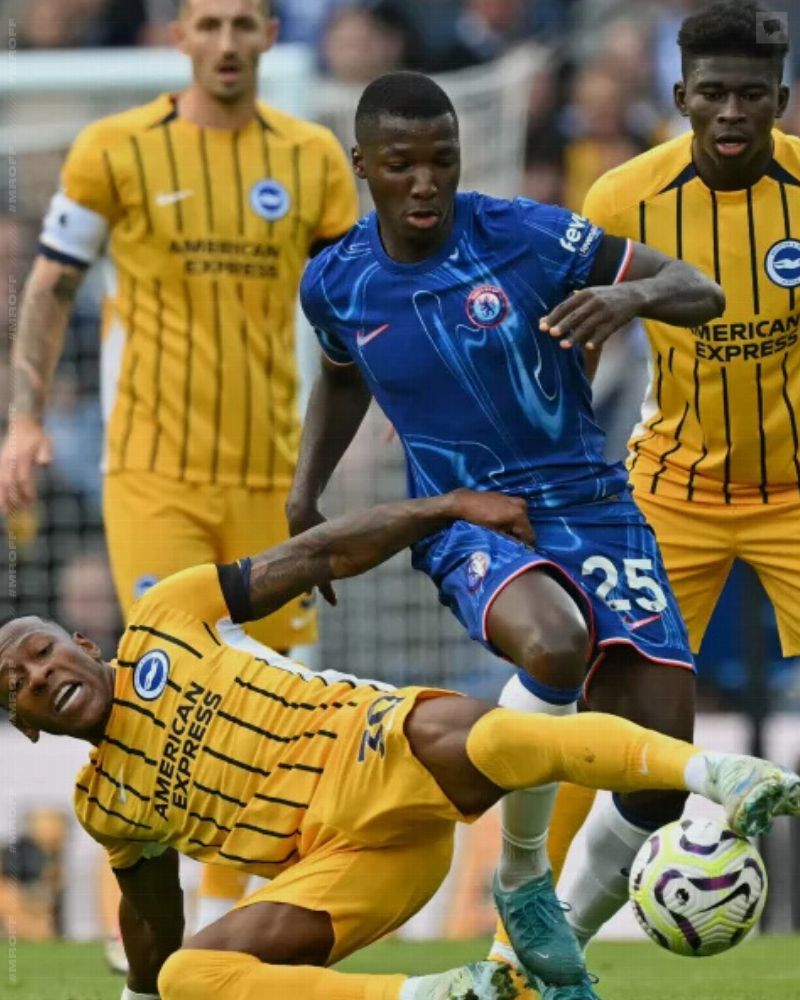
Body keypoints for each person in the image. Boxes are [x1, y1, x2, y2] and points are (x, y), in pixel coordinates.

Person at [3, 488, 798, 1000]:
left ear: (81, 640)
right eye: (17, 687)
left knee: (494, 738)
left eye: (40, 652)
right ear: (28, 724)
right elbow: (151, 925)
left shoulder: (166, 618)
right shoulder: (106, 808)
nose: (38, 676)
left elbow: (311, 556)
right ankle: (447, 993)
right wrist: (143, 995)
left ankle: (713, 773)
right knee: (189, 979)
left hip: (367, 744)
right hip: (346, 870)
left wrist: (443, 509)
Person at [287, 71, 724, 999]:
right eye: (400, 165)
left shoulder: (525, 233)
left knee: (657, 785)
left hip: (593, 503)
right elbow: (342, 375)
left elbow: (701, 289)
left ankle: (548, 955)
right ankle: (521, 878)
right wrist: (305, 494)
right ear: (362, 165)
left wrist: (630, 300)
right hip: (466, 517)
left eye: (441, 161)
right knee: (555, 643)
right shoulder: (337, 279)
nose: (425, 183)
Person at [0, 0, 359, 929]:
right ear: (179, 38)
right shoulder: (113, 149)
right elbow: (51, 284)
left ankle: (246, 920)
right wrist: (24, 418)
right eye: (209, 24)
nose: (228, 43)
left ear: (271, 38)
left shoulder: (313, 157)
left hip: (273, 477)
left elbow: (352, 305)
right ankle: (164, 918)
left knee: (284, 704)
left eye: (246, 23)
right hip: (152, 471)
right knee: (175, 686)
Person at [548, 0, 800, 923]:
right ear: (680, 95)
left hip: (797, 496)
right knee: (609, 721)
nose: (732, 113)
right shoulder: (622, 197)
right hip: (672, 493)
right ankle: (540, 932)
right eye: (714, 94)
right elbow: (573, 343)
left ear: (780, 97)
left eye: (752, 95)